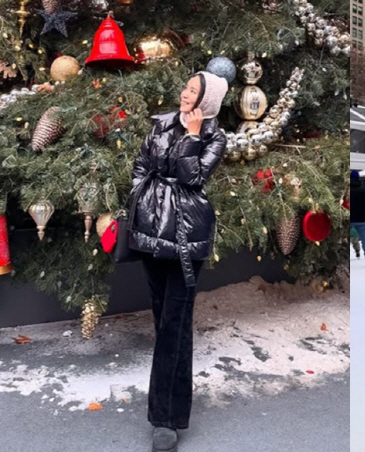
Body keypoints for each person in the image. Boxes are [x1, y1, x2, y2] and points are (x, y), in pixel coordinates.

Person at [129, 70, 228, 452]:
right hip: (151, 230)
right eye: (186, 86)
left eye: (194, 90)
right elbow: (141, 165)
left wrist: (190, 136)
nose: (185, 93)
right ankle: (170, 401)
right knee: (165, 319)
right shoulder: (160, 124)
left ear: (207, 101)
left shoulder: (214, 136)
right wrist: (140, 197)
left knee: (175, 321)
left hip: (187, 235)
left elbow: (193, 177)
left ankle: (166, 419)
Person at [350, 170, 365, 264]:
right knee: (364, 238)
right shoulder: (364, 190)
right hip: (361, 218)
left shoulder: (347, 189)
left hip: (350, 217)